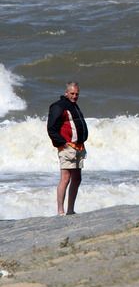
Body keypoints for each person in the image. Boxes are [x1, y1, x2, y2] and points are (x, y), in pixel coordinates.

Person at [47, 82, 88, 216]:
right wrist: (62, 143)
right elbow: (51, 128)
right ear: (66, 93)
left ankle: (70, 210)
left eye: (77, 94)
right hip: (67, 147)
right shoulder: (59, 106)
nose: (75, 96)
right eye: (72, 93)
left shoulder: (74, 106)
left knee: (77, 178)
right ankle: (60, 211)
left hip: (78, 147)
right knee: (65, 178)